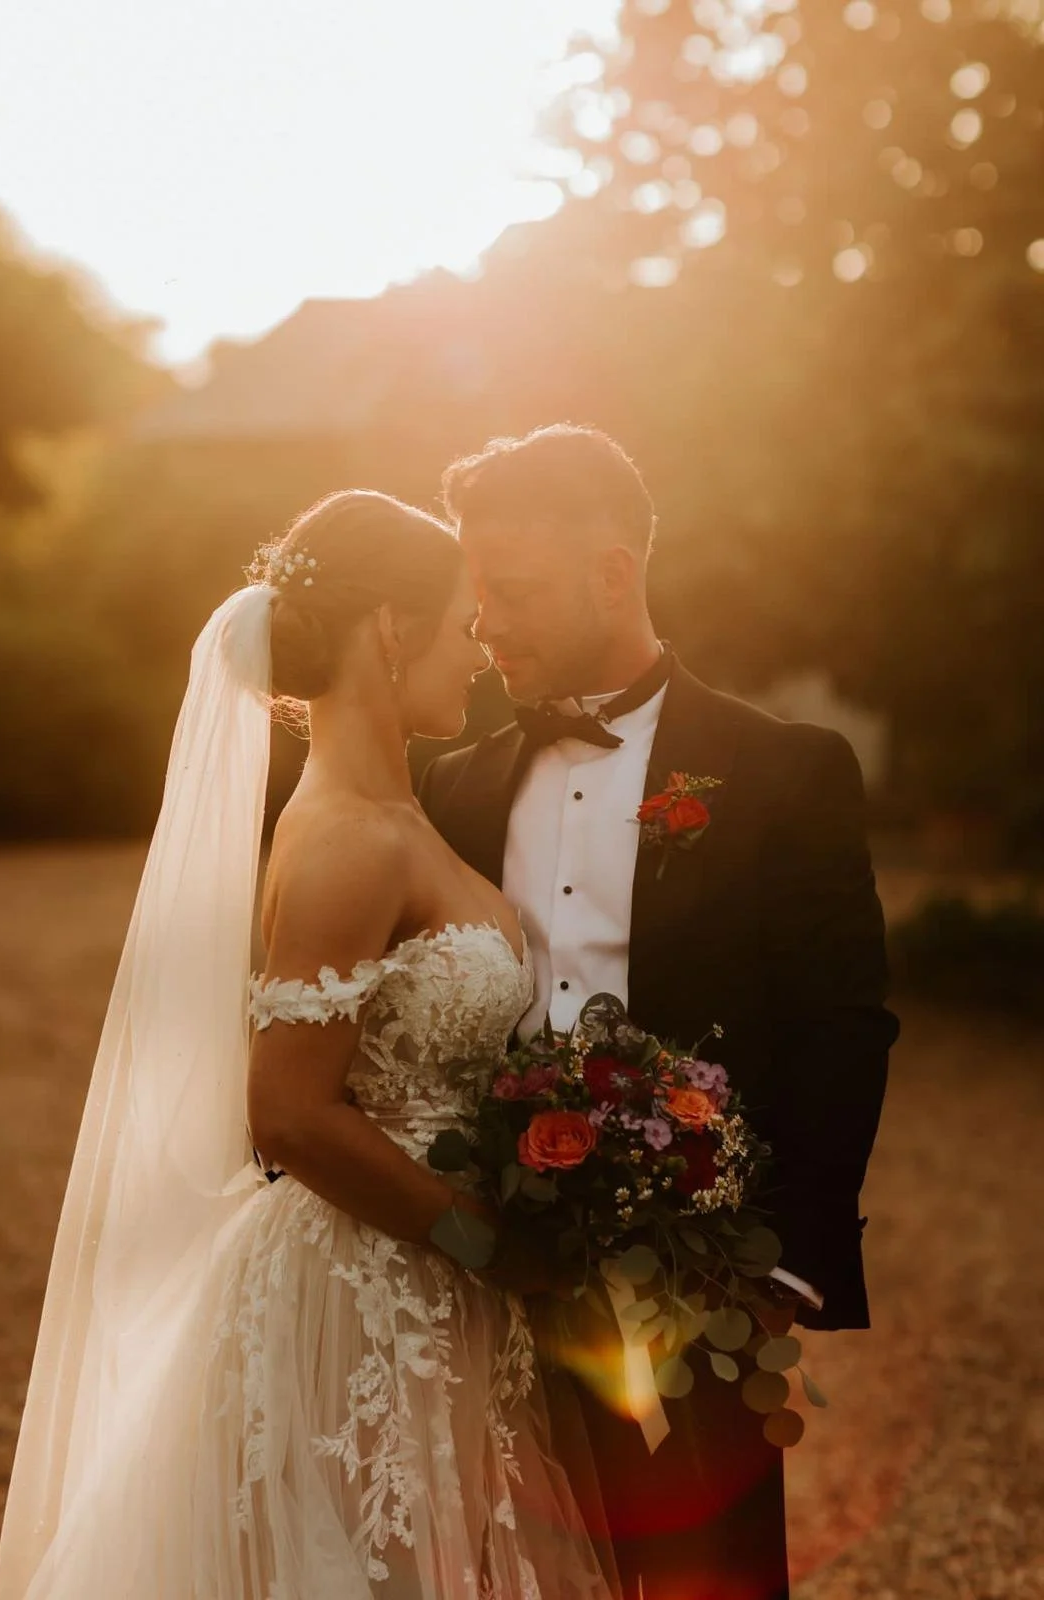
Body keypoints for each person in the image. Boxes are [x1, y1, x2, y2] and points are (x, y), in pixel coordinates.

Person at [0, 489, 615, 1600]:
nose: (475, 655)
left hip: (429, 1283)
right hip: (368, 1288)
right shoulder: (344, 839)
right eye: (460, 626)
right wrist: (483, 1240)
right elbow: (284, 1109)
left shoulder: (407, 820)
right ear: (390, 627)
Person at [418, 425, 900, 1600]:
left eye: (512, 592)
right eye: (474, 597)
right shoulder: (453, 786)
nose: (485, 626)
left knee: (716, 1574)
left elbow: (841, 1023)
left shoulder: (784, 768)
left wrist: (778, 1261)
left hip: (704, 1273)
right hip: (497, 1268)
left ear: (611, 574)